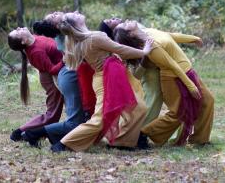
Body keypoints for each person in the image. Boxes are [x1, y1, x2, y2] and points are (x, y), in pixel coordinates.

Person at [44, 11, 153, 152]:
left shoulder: (78, 40)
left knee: (138, 107)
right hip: (108, 78)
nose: (78, 12)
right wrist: (144, 51)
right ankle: (63, 144)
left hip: (110, 75)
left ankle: (123, 142)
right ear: (75, 23)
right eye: (75, 15)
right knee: (99, 119)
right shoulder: (95, 37)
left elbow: (68, 59)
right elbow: (120, 49)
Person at [113, 20, 214, 146]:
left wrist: (193, 39)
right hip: (174, 77)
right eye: (125, 25)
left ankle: (200, 140)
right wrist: (190, 85)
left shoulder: (148, 31)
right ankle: (144, 133)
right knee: (178, 113)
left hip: (187, 71)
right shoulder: (151, 46)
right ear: (130, 34)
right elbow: (172, 65)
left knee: (208, 101)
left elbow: (169, 36)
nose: (126, 20)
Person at [8, 27, 64, 142]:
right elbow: (52, 70)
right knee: (52, 115)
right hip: (51, 80)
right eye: (17, 32)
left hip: (56, 76)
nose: (18, 28)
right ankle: (20, 133)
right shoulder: (36, 51)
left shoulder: (35, 38)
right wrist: (66, 60)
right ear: (23, 41)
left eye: (17, 29)